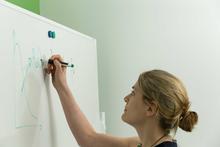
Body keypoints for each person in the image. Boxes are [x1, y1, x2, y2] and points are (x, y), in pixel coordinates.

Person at [47, 54, 198, 147]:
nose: (126, 98)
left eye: (133, 93)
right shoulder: (141, 144)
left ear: (150, 109)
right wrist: (62, 86)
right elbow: (88, 138)